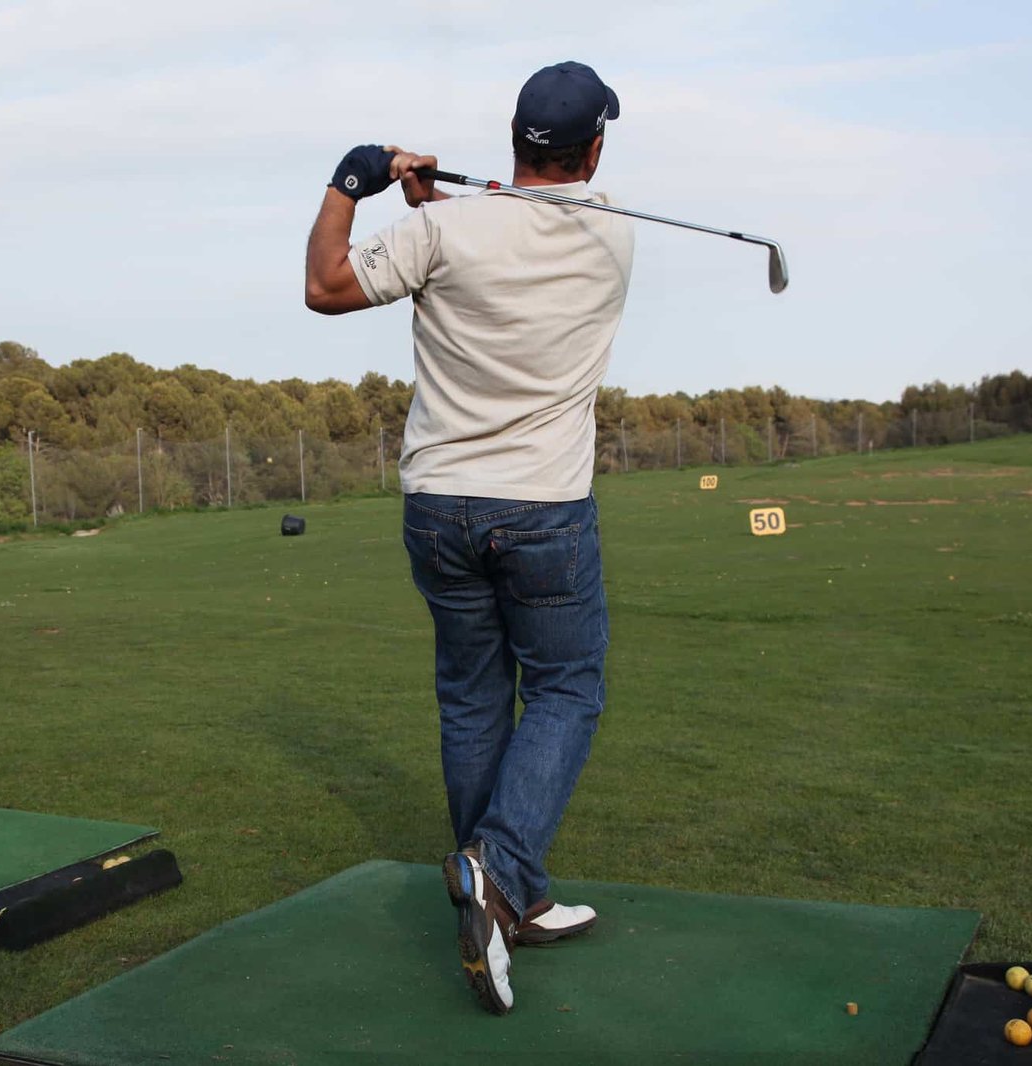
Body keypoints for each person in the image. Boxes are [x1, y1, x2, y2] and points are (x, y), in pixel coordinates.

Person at [304, 61, 634, 1014]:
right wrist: (430, 200)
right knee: (569, 688)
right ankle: (499, 870)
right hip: (543, 507)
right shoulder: (612, 232)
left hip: (439, 505)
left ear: (516, 139)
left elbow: (328, 286)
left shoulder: (443, 228)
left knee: (473, 697)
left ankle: (509, 895)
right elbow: (515, 226)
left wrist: (353, 182)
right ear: (596, 148)